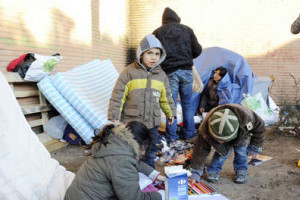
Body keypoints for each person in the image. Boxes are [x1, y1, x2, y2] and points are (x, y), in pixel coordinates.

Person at [108, 34, 176, 168]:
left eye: (157, 54)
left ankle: (149, 175)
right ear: (141, 54)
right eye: (149, 53)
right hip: (133, 122)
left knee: (150, 151)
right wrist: (114, 115)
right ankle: (131, 174)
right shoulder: (129, 72)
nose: (154, 57)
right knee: (132, 150)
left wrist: (171, 113)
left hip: (153, 123)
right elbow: (118, 95)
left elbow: (166, 97)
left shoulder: (161, 75)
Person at [65, 121, 166, 200]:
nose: (143, 154)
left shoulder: (113, 142)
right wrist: (161, 195)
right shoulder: (122, 161)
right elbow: (134, 198)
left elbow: (132, 162)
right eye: (143, 149)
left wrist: (154, 175)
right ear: (139, 146)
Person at [153, 7, 202, 143]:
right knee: (187, 104)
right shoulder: (187, 30)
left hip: (169, 73)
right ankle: (189, 134)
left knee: (171, 105)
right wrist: (186, 55)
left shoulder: (158, 32)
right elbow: (198, 50)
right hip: (187, 71)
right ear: (177, 18)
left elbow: (153, 52)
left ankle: (172, 136)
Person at [189, 104, 265, 184]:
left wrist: (255, 147)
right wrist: (195, 173)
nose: (220, 142)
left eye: (223, 140)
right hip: (229, 131)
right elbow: (200, 152)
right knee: (221, 153)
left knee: (241, 152)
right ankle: (213, 170)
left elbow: (260, 129)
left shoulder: (247, 117)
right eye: (218, 139)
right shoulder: (204, 129)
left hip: (241, 132)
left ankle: (241, 170)